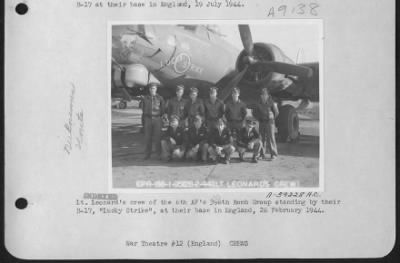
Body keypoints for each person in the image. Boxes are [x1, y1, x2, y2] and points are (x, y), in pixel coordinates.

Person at [252, 88, 279, 160]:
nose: (264, 96)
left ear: (268, 95)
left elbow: (276, 112)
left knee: (271, 138)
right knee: (261, 139)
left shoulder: (271, 103)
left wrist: (272, 119)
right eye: (262, 95)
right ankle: (261, 154)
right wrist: (258, 118)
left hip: (270, 122)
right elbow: (254, 112)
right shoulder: (258, 103)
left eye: (265, 95)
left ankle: (273, 154)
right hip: (262, 122)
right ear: (261, 96)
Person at [141, 83, 165, 160]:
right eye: (151, 88)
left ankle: (159, 154)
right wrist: (143, 122)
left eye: (154, 88)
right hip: (148, 119)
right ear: (149, 89)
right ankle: (147, 154)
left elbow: (163, 109)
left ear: (156, 89)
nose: (152, 90)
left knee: (157, 138)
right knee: (147, 138)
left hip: (157, 119)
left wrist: (161, 120)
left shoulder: (160, 98)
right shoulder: (145, 98)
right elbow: (143, 110)